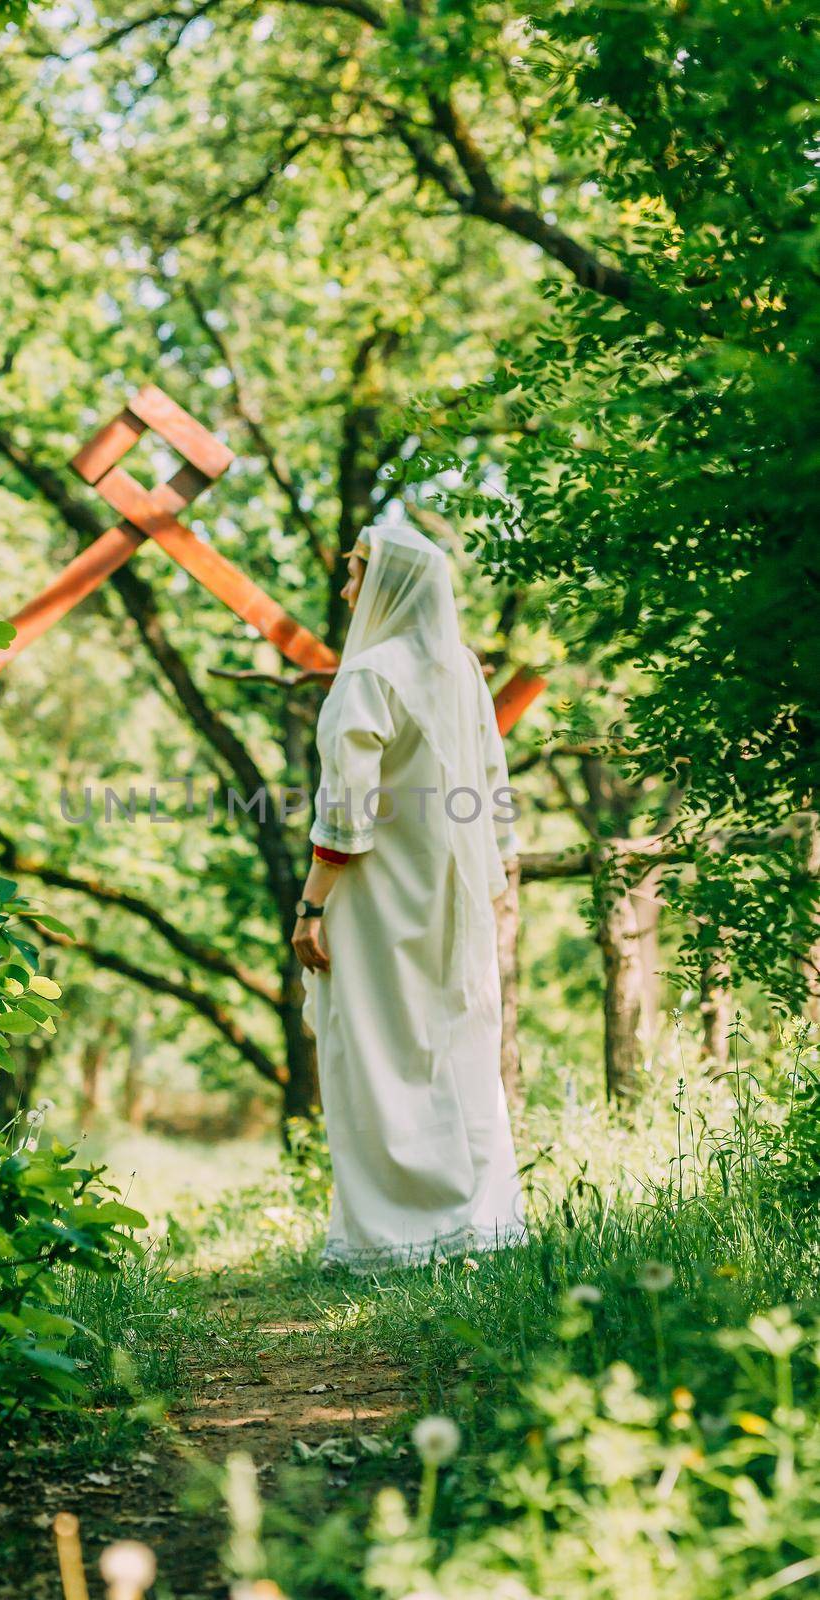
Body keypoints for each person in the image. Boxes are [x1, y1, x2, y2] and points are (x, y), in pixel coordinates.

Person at [293, 519, 527, 1271]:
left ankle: (394, 1238)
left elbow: (345, 807)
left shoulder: (370, 675)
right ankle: (479, 1226)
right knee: (459, 1043)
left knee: (373, 1050)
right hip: (453, 891)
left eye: (355, 570)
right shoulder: (461, 669)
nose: (345, 585)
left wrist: (311, 904)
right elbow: (495, 790)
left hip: (378, 895)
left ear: (387, 582)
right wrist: (492, 882)